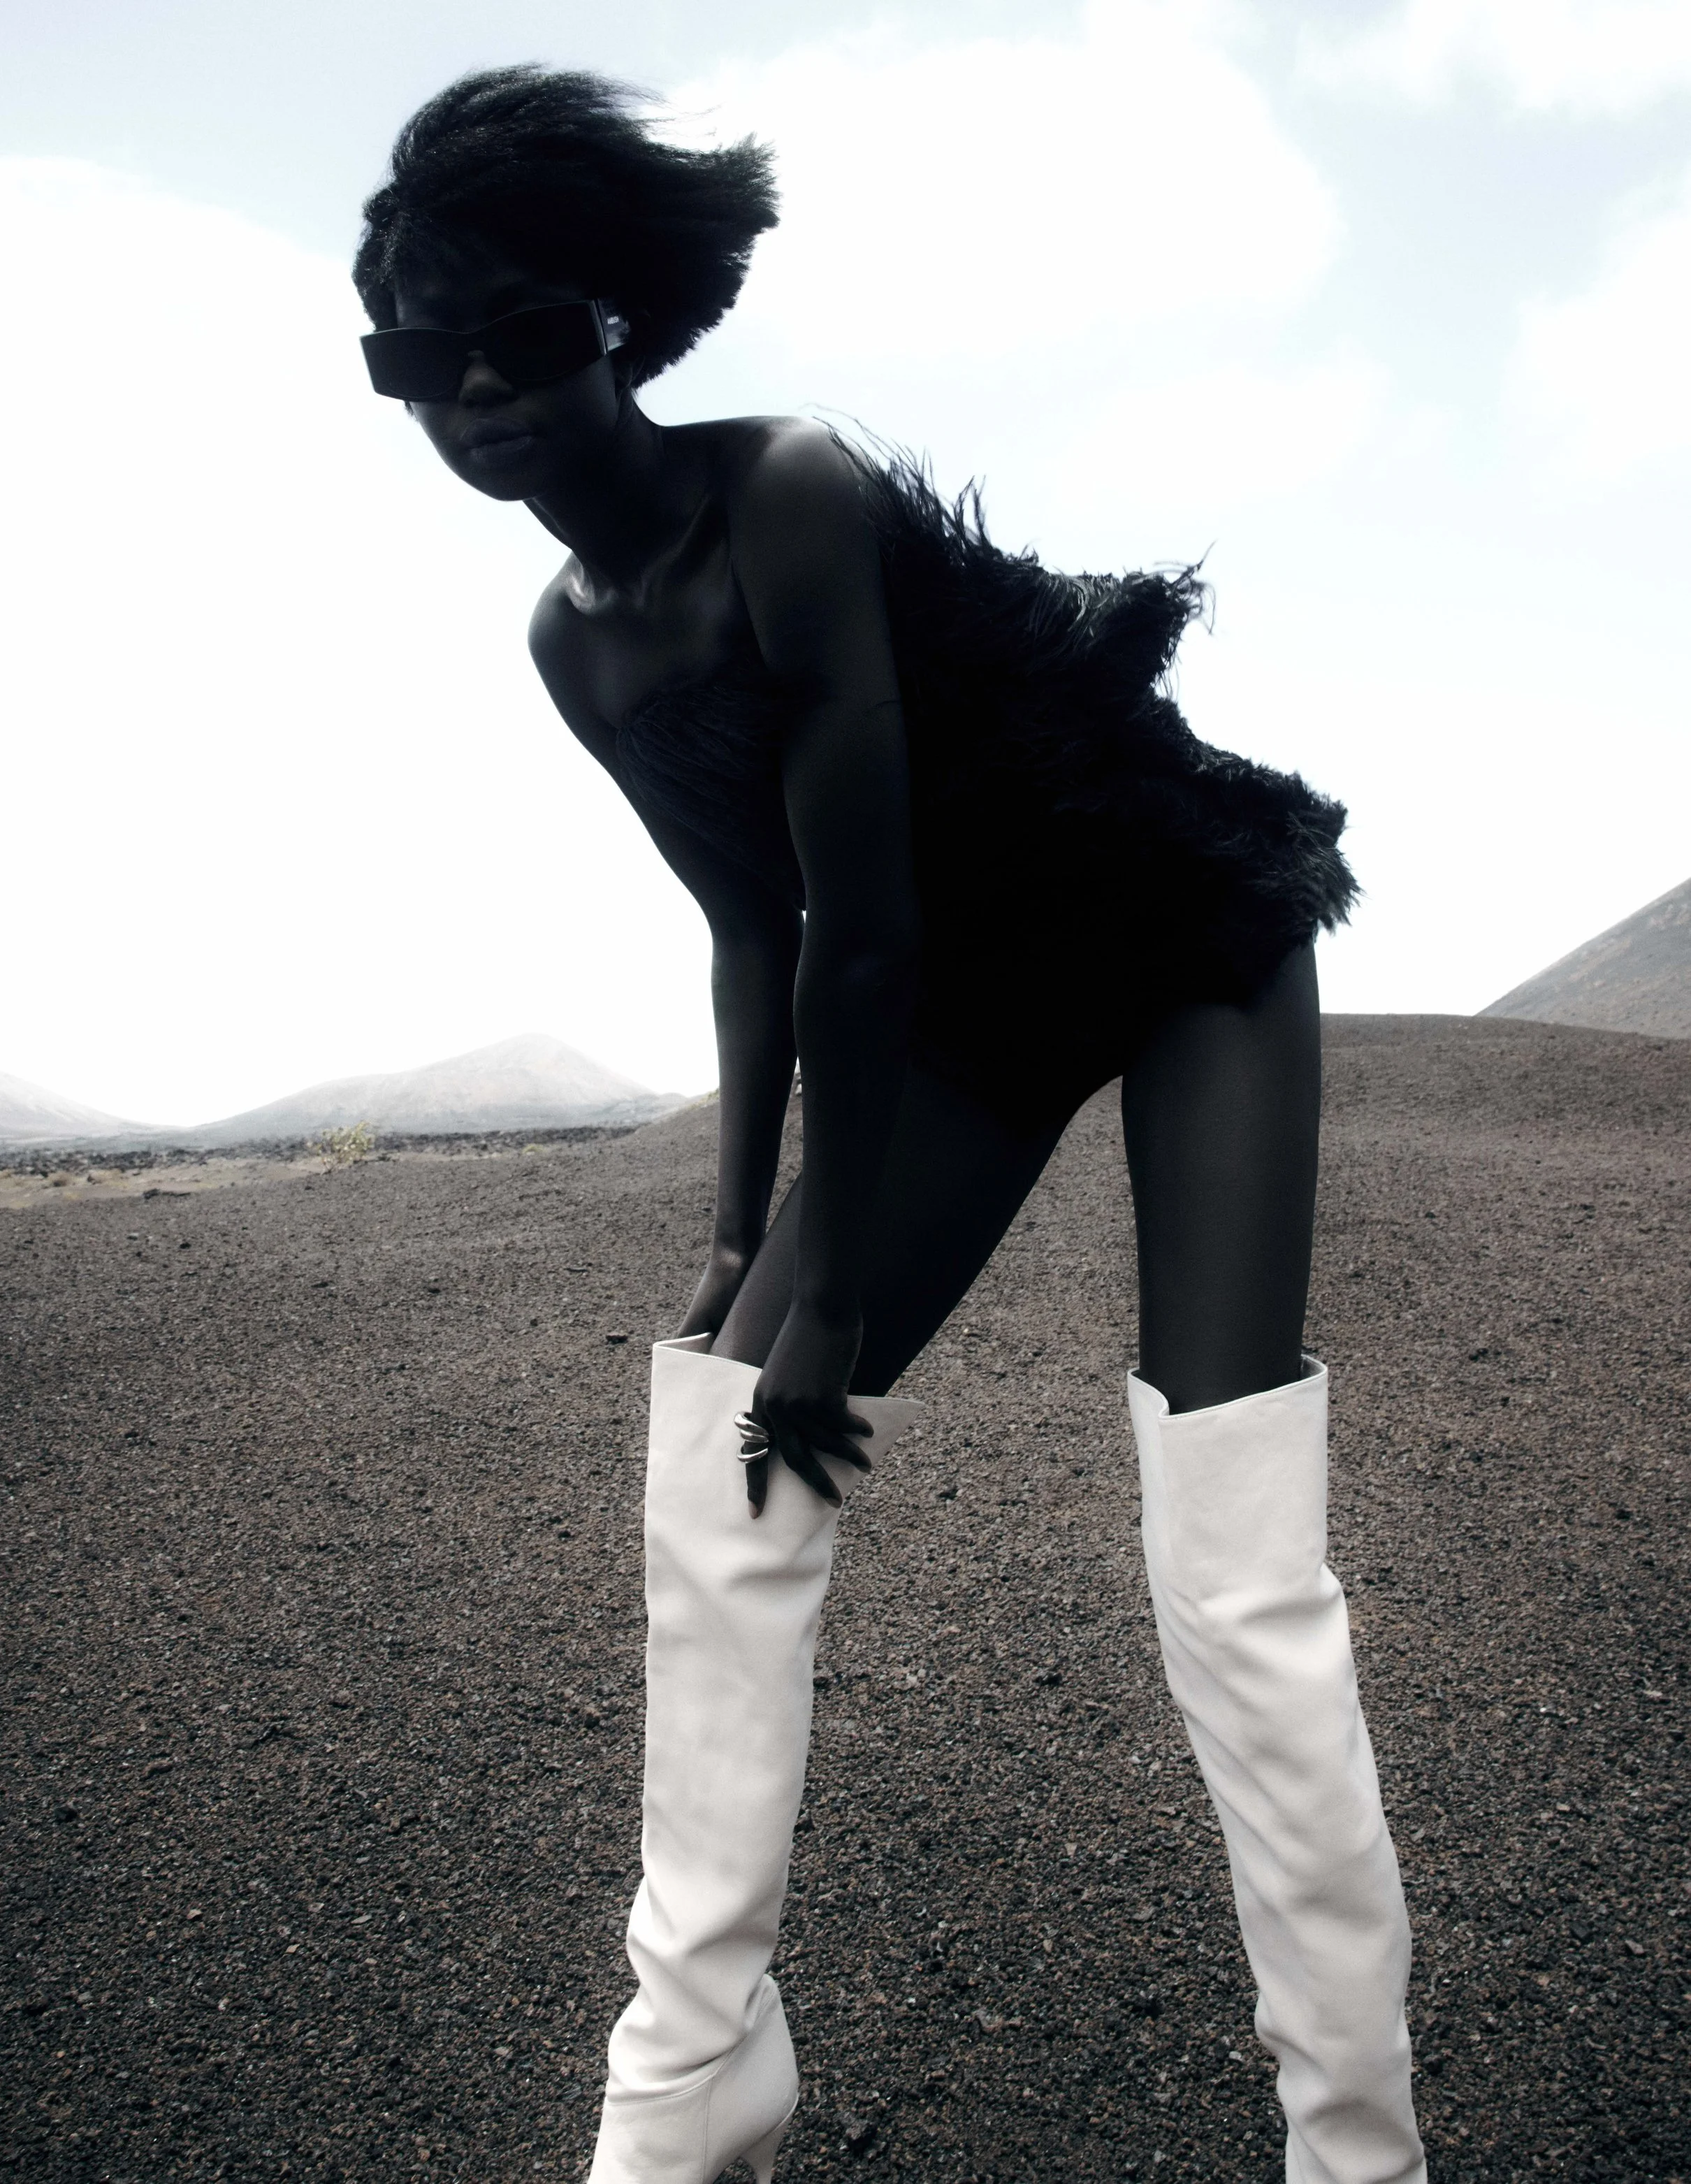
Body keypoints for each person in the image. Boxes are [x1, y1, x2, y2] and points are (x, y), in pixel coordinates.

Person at [353, 66, 1428, 2184]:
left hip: (1158, 914)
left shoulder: (787, 492)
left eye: (521, 337)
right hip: (957, 1001)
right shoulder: (572, 644)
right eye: (415, 357)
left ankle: (1357, 2143)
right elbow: (749, 924)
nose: (474, 392)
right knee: (723, 1470)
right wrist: (735, 1233)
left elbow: (865, 925)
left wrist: (831, 1296)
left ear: (617, 330)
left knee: (1231, 1546)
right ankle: (692, 2068)